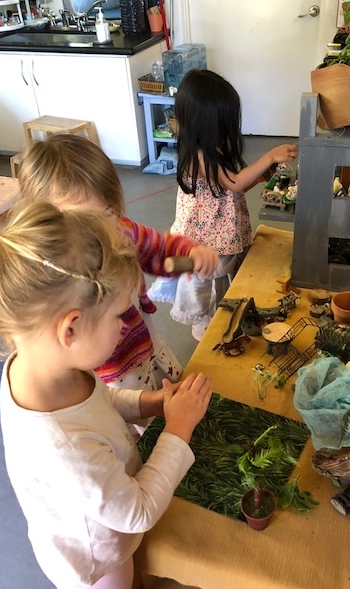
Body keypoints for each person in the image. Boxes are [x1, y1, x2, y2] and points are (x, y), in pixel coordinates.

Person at [0, 200, 212, 589]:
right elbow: (137, 511)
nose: (126, 325)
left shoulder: (43, 366)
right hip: (95, 570)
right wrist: (179, 429)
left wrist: (153, 403)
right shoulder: (62, 445)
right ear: (70, 328)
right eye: (119, 315)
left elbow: (99, 402)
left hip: (105, 534)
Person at [17, 134, 218, 417]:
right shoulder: (52, 277)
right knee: (137, 424)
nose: (106, 228)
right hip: (109, 372)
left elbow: (159, 248)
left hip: (146, 343)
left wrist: (190, 251)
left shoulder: (119, 229)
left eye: (109, 212)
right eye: (88, 222)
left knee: (168, 399)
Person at [148, 68, 298, 340]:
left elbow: (229, 191)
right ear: (204, 123)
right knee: (208, 284)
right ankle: (207, 330)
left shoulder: (212, 149)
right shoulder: (200, 156)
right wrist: (269, 157)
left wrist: (260, 177)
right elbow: (235, 183)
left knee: (220, 279)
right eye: (223, 124)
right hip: (206, 239)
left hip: (218, 235)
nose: (228, 130)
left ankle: (220, 319)